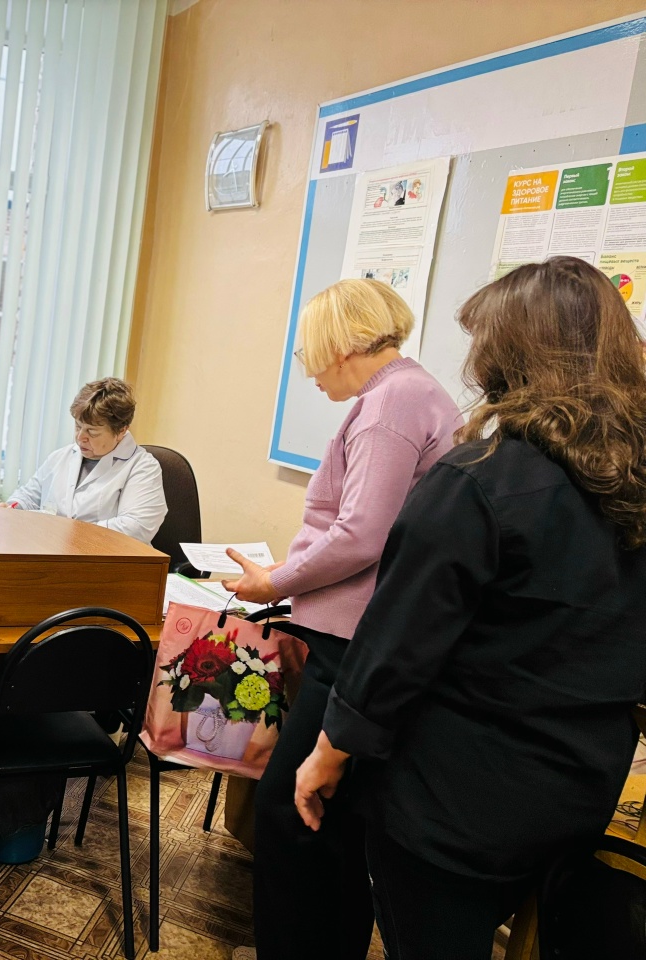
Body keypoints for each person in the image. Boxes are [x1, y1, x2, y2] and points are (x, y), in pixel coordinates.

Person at [295, 257, 646, 960]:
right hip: (581, 787)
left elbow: (396, 649)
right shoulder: (631, 483)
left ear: (507, 354)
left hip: (454, 804)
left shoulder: (479, 482)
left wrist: (329, 753)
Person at [221, 279, 461, 960]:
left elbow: (360, 536)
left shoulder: (389, 406)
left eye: (309, 354)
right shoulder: (411, 393)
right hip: (361, 633)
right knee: (334, 818)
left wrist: (273, 581)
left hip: (352, 642)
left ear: (340, 345)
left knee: (289, 809)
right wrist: (293, 577)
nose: (309, 371)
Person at [1, 377, 167, 544]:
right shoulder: (61, 457)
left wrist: (71, 532)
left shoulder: (143, 467)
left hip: (105, 556)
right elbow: (29, 496)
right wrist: (12, 507)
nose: (80, 437)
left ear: (121, 431)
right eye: (78, 426)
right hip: (54, 550)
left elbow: (137, 527)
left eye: (92, 432)